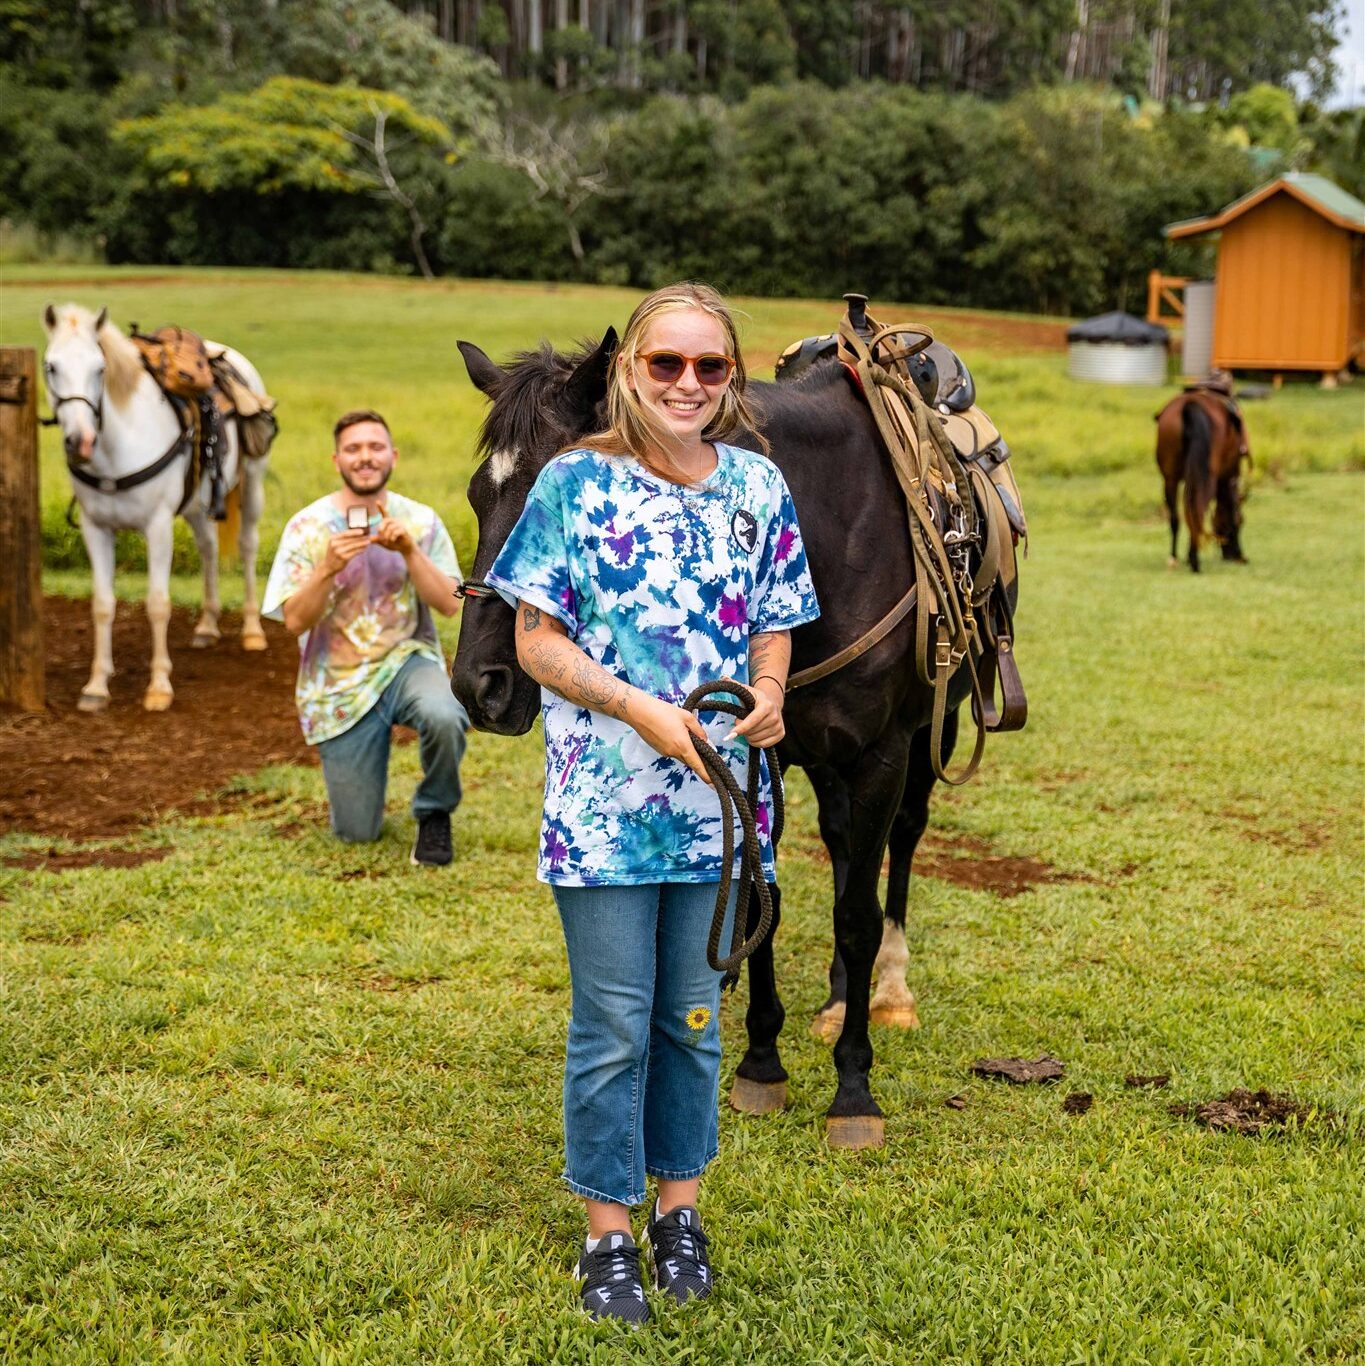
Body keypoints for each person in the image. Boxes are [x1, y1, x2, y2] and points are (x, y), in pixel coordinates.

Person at [487, 283, 819, 1323]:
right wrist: (638, 708)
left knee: (693, 1019)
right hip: (603, 807)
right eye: (665, 363)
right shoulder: (574, 484)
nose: (687, 383)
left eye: (709, 367)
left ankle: (681, 1209)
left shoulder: (759, 486)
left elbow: (777, 616)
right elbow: (535, 640)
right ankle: (609, 1235)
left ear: (731, 377)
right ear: (630, 368)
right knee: (615, 1025)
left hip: (722, 807)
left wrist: (767, 693)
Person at [262, 409, 469, 865]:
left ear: (392, 456)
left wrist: (410, 551)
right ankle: (361, 795)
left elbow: (451, 604)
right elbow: (294, 622)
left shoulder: (420, 520)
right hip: (336, 683)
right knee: (357, 834)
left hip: (405, 662)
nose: (365, 457)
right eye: (353, 449)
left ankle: (435, 814)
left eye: (375, 447)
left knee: (445, 712)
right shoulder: (307, 527)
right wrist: (327, 568)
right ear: (336, 460)